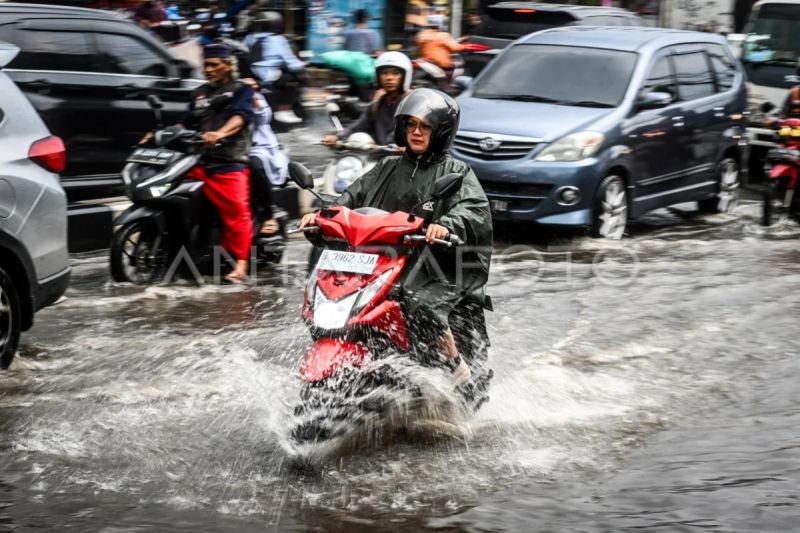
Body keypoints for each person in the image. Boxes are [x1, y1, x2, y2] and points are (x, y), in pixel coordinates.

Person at [301, 89, 493, 385]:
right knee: (331, 289)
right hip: (378, 259)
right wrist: (321, 216)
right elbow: (349, 198)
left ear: (441, 132)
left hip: (430, 262)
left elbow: (473, 209)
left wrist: (446, 224)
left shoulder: (456, 171)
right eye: (411, 125)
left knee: (419, 302)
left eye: (425, 126)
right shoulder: (387, 167)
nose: (416, 132)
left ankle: (455, 365)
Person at [183, 43, 255, 283]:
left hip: (229, 161)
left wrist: (220, 133)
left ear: (227, 66)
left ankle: (241, 264)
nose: (209, 69)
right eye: (206, 64)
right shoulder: (199, 94)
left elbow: (241, 117)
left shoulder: (241, 90)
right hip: (198, 161)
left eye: (214, 65)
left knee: (237, 211)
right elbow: (186, 122)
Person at [322, 51, 413, 147]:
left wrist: (404, 146)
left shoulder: (412, 103)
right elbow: (358, 127)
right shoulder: (377, 104)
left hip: (406, 158)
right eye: (384, 73)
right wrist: (338, 137)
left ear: (405, 76)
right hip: (380, 157)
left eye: (396, 73)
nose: (389, 78)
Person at [242, 77, 290, 237]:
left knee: (256, 167)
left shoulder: (254, 98)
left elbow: (263, 117)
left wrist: (251, 97)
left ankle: (267, 214)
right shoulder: (222, 96)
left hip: (256, 147)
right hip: (224, 147)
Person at [243, 11, 307, 124]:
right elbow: (289, 61)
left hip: (251, 74)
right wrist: (301, 66)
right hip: (271, 76)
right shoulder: (278, 39)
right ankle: (284, 109)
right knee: (296, 76)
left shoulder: (249, 38)